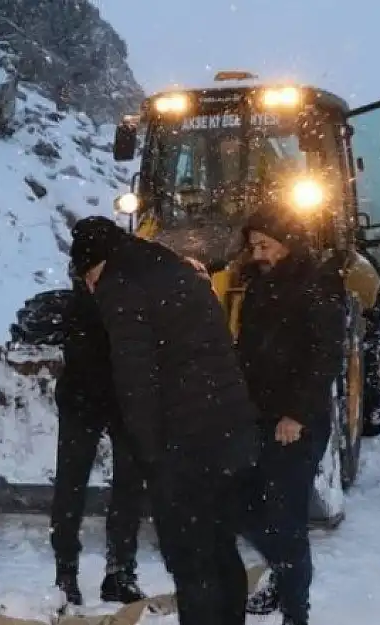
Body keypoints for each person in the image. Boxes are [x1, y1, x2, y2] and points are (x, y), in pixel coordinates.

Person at [69, 215, 260, 625]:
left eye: (87, 277)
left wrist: (147, 451)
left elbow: (135, 378)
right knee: (220, 545)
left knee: (190, 558)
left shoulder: (120, 286)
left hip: (187, 441)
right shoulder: (173, 266)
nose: (89, 288)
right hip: (229, 427)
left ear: (96, 265)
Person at [235, 209, 347, 625]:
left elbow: (325, 356)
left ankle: (295, 612)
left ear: (287, 241)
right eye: (253, 246)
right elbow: (248, 351)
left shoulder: (318, 284)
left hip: (297, 423)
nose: (258, 253)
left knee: (286, 518)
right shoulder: (258, 285)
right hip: (258, 416)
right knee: (241, 505)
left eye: (265, 245)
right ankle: (285, 578)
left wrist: (297, 413)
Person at [50, 264, 148, 609]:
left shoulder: (133, 298)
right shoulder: (77, 308)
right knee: (70, 487)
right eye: (89, 272)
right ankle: (66, 573)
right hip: (82, 401)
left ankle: (120, 570)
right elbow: (84, 358)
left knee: (129, 487)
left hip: (125, 403)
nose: (96, 278)